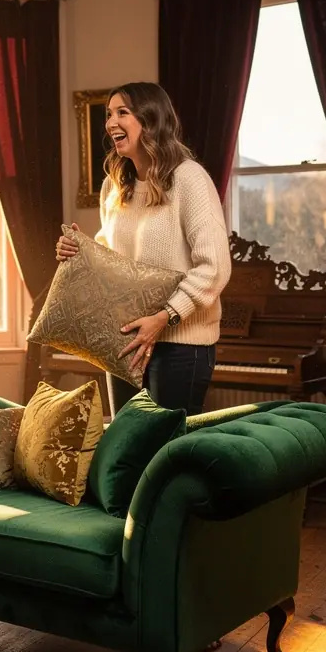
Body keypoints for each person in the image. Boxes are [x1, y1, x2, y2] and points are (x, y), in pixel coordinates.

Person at [55, 81, 231, 416]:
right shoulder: (114, 186)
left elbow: (215, 267)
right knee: (126, 441)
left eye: (122, 112)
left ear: (151, 119)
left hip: (181, 345)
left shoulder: (190, 179)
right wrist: (79, 251)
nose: (111, 123)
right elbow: (112, 258)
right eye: (109, 114)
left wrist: (165, 317)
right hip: (126, 341)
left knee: (167, 445)